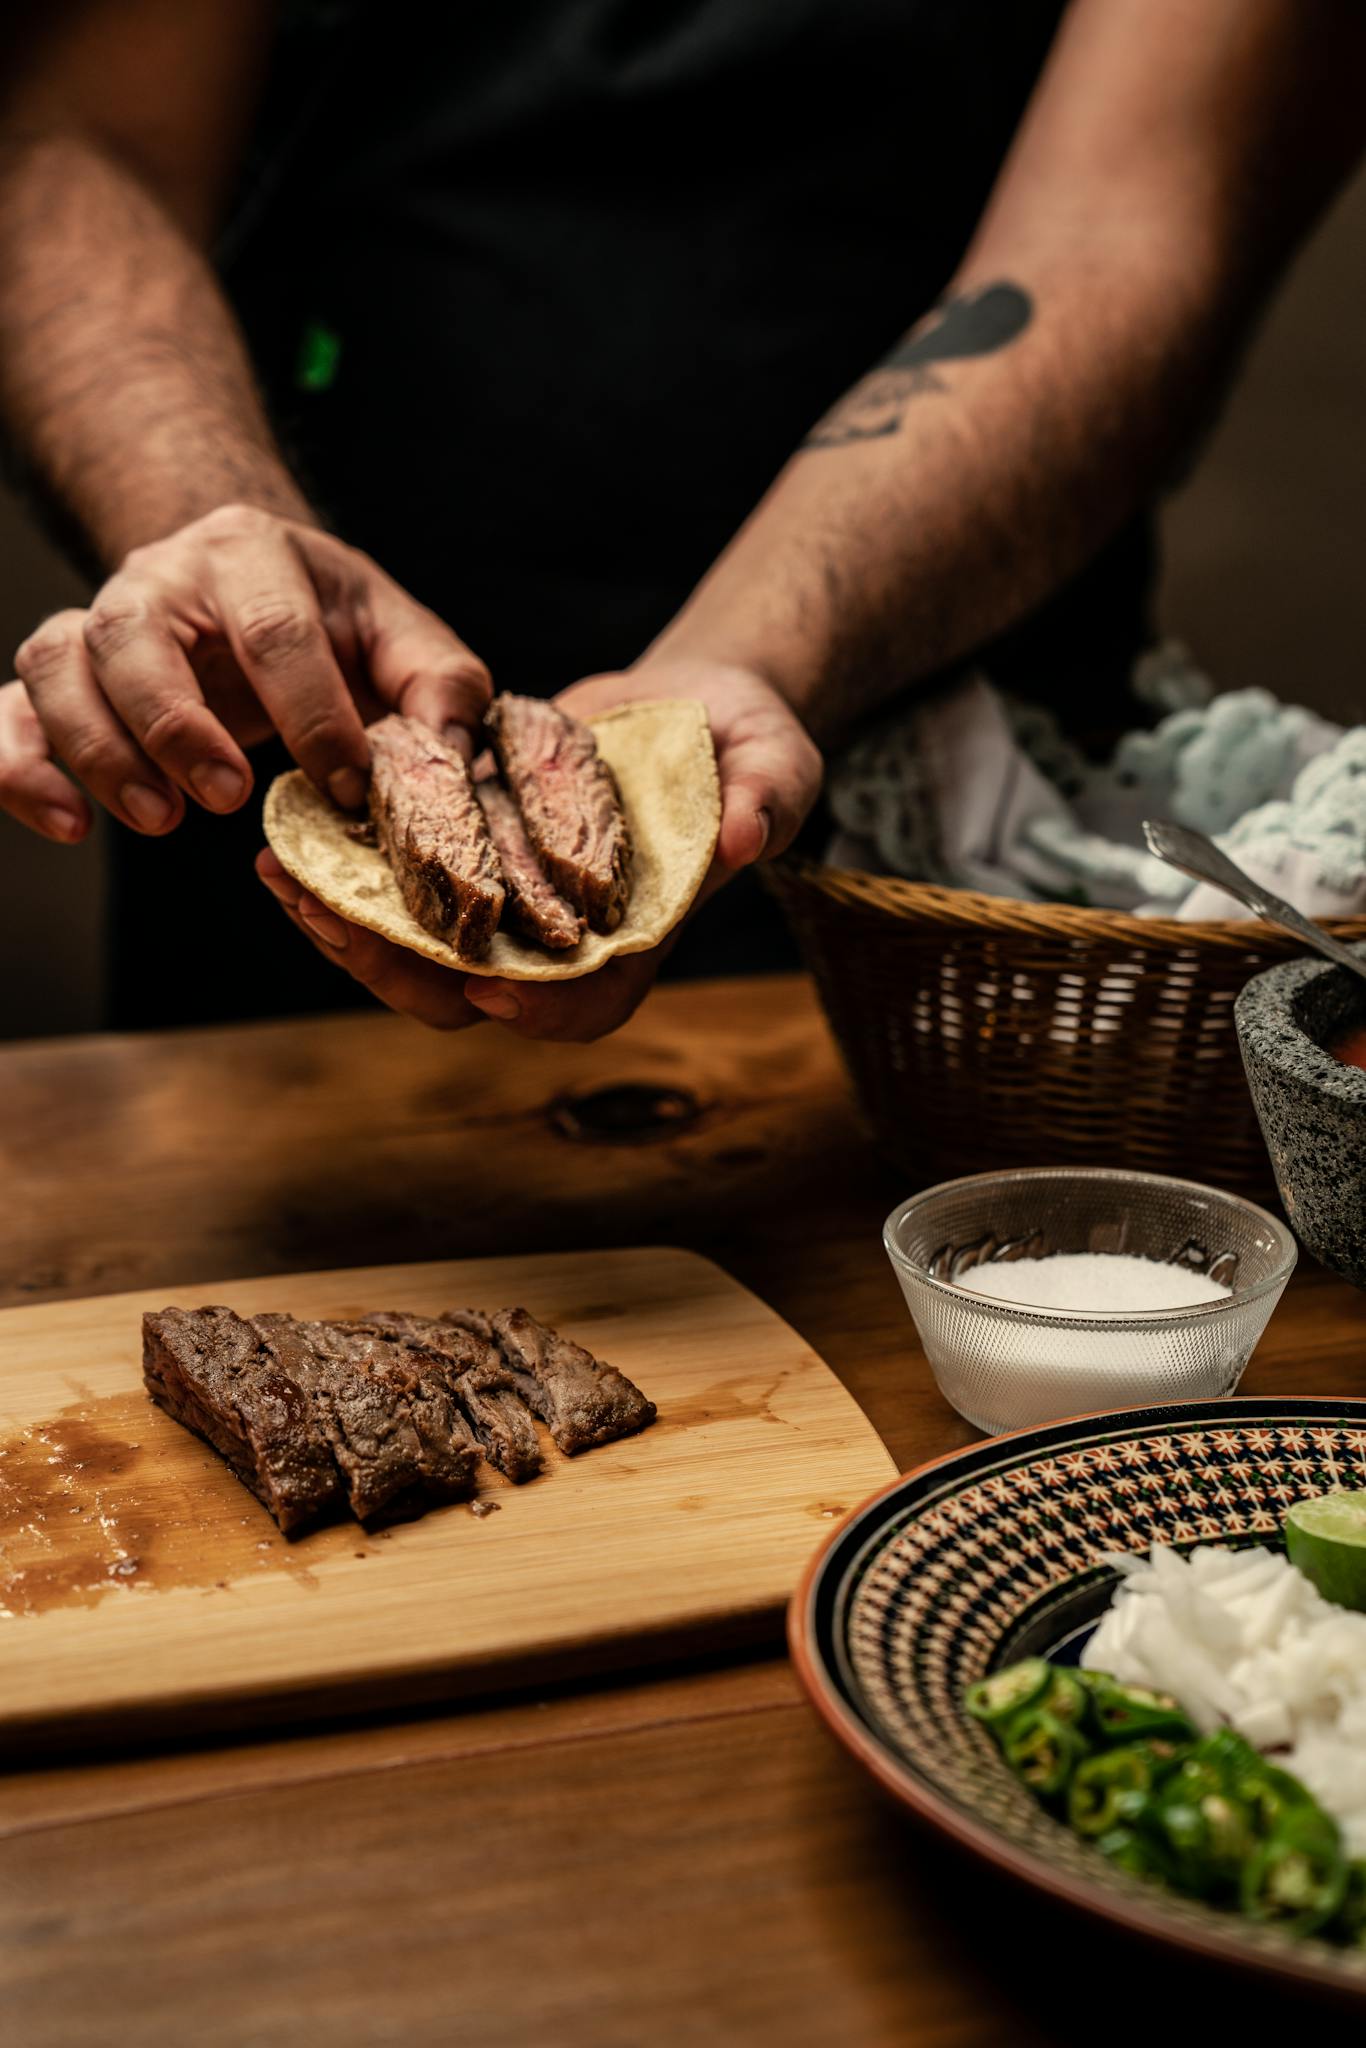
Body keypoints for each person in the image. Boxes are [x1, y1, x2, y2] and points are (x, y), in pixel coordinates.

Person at [0, 0, 1362, 1041]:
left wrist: (736, 671)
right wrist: (216, 537)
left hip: (928, 872)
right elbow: (78, 140)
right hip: (272, 785)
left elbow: (1125, 229)